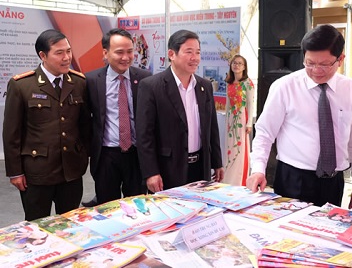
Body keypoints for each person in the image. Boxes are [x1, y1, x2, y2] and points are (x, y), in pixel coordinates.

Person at [246, 24, 352, 208]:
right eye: (310, 63)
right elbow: (265, 132)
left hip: (334, 181)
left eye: (324, 64)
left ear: (340, 59)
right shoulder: (285, 87)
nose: (316, 70)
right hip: (294, 178)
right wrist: (258, 169)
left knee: (327, 234)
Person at [3, 29, 91, 221]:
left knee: (70, 225)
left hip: (71, 172)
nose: (67, 57)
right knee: (36, 226)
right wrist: (15, 172)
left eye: (68, 51)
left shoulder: (78, 82)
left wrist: (84, 156)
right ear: (43, 55)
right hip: (37, 173)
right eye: (59, 53)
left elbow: (85, 125)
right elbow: (12, 134)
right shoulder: (22, 85)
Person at [136, 29, 224, 192]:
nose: (195, 58)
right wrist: (151, 172)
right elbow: (144, 135)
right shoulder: (151, 87)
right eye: (188, 52)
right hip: (168, 170)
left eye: (197, 52)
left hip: (200, 168)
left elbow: (212, 128)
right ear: (172, 54)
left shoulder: (204, 86)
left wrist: (217, 162)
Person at [83, 28, 152, 206]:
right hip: (106, 155)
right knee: (107, 208)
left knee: (138, 206)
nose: (126, 57)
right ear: (105, 53)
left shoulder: (145, 78)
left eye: (130, 51)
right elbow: (84, 118)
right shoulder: (91, 80)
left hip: (136, 156)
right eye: (119, 52)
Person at [223, 54, 255, 186]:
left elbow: (250, 103)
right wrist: (226, 119)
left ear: (244, 67)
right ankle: (228, 178)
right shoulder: (229, 82)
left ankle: (239, 179)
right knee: (230, 148)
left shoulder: (248, 83)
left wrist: (249, 124)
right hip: (231, 119)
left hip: (242, 118)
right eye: (234, 63)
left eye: (240, 63)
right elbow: (228, 102)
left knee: (240, 149)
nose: (236, 65)